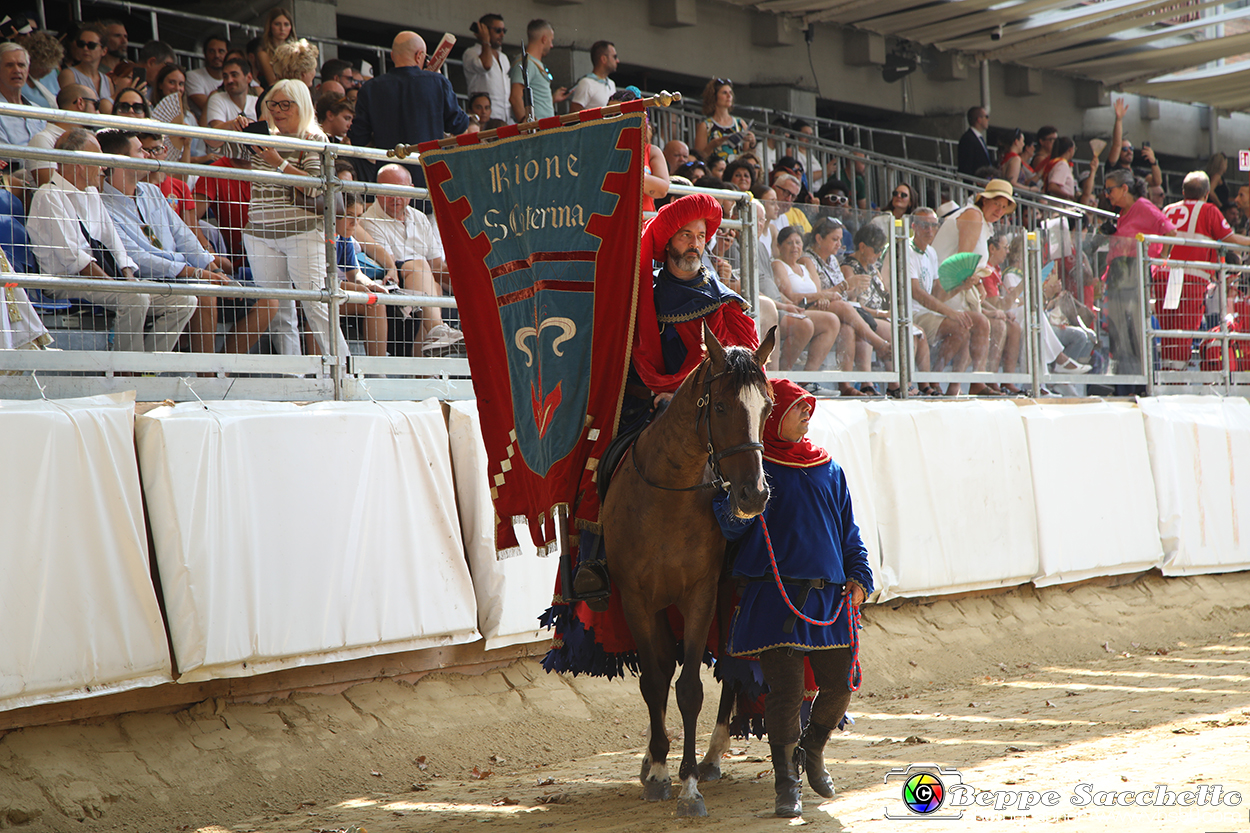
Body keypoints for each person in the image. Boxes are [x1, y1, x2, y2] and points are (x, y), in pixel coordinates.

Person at [572, 193, 759, 600]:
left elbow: (742, 366)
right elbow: (622, 348)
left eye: (701, 236)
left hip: (713, 407)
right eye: (685, 235)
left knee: (755, 464)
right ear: (667, 243)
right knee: (597, 459)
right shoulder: (642, 294)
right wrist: (659, 391)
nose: (695, 243)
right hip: (644, 401)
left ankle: (754, 561)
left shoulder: (724, 300)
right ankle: (595, 561)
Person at [713, 378, 872, 819]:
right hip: (772, 600)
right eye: (798, 406)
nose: (807, 412)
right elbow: (730, 530)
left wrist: (860, 576)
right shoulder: (756, 474)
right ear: (774, 415)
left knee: (840, 686)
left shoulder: (829, 469)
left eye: (809, 407)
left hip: (830, 602)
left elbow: (849, 535)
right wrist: (735, 504)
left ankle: (812, 752)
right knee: (784, 694)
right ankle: (787, 784)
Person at [97, 128, 274, 357]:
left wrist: (215, 270)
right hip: (154, 281)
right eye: (141, 151)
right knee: (206, 293)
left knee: (268, 301)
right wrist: (199, 274)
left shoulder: (152, 192)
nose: (149, 155)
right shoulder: (104, 205)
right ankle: (206, 375)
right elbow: (137, 259)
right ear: (121, 162)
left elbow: (184, 237)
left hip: (186, 276)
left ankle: (223, 371)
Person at [27, 128, 197, 353]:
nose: (103, 167)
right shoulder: (48, 196)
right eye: (98, 160)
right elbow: (74, 260)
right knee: (135, 298)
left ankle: (148, 369)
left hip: (102, 279)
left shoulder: (91, 193)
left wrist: (127, 277)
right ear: (79, 164)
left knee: (185, 300)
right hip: (66, 283)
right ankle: (126, 368)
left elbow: (114, 242)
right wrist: (116, 286)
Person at [242, 79, 349, 359]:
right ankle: (294, 375)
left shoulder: (315, 139)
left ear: (300, 106)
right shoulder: (261, 137)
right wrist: (233, 129)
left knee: (317, 306)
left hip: (302, 233)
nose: (278, 110)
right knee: (278, 310)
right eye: (273, 104)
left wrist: (279, 162)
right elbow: (215, 147)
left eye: (285, 104)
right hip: (260, 233)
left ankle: (346, 371)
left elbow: (316, 186)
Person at [355, 164, 464, 355]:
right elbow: (389, 263)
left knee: (438, 284)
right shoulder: (367, 220)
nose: (396, 198)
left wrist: (467, 284)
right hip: (392, 292)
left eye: (401, 191)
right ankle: (437, 331)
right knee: (421, 269)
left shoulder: (420, 218)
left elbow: (438, 266)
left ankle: (429, 365)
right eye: (389, 191)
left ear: (412, 191)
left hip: (422, 292)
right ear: (377, 191)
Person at [349, 31, 475, 183]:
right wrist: (438, 81)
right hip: (429, 175)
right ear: (419, 56)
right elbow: (459, 125)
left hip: (389, 175)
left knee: (392, 206)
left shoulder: (370, 88)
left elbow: (358, 138)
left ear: (393, 56)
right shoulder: (437, 82)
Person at [931, 179, 1016, 394]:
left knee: (991, 324)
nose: (1000, 210)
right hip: (944, 286)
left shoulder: (983, 223)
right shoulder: (973, 215)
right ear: (985, 201)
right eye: (997, 203)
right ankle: (947, 380)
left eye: (1004, 207)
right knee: (978, 323)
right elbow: (962, 261)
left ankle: (960, 384)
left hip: (959, 285)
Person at [1159, 171, 1250, 370]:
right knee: (1183, 330)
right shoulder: (1209, 210)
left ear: (1183, 192)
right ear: (1207, 194)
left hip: (1164, 277)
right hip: (1190, 278)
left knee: (1168, 328)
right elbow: (1230, 239)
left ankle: (1166, 372)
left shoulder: (1167, 209)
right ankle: (1176, 379)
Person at [1102, 168, 1175, 382]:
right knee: (1118, 331)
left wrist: (1162, 258)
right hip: (1118, 273)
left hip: (1134, 272)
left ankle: (1142, 381)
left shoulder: (1143, 206)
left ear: (1124, 188)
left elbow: (1170, 231)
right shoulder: (1122, 213)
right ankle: (1123, 383)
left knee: (1135, 329)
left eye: (1110, 190)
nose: (1107, 194)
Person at [906, 207, 971, 395]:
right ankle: (934, 381)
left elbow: (936, 293)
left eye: (934, 226)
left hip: (926, 311)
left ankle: (954, 386)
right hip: (912, 313)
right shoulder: (908, 250)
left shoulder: (931, 252)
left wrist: (961, 286)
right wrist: (950, 312)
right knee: (960, 326)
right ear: (914, 227)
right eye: (925, 226)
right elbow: (917, 293)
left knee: (971, 324)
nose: (930, 230)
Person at [771, 225, 841, 387]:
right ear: (779, 246)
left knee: (833, 320)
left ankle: (806, 381)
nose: (795, 247)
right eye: (789, 243)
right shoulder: (778, 265)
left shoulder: (804, 266)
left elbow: (817, 291)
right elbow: (791, 296)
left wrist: (821, 298)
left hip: (811, 308)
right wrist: (821, 296)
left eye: (798, 242)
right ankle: (782, 375)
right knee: (834, 316)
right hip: (792, 309)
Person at [26, 84, 98, 187]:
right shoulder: (43, 139)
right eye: (96, 105)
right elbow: (51, 187)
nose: (98, 112)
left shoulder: (91, 139)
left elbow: (97, 187)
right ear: (80, 103)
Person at [151, 65, 216, 165]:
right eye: (171, 82)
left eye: (181, 84)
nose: (177, 88)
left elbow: (199, 151)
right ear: (160, 84)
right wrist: (197, 160)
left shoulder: (189, 117)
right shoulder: (150, 112)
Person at [508, 19, 568, 122]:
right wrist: (526, 123)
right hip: (537, 131)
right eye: (551, 40)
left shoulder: (533, 63)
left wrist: (552, 99)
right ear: (544, 39)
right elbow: (515, 97)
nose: (551, 45)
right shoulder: (526, 63)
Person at [462, 14, 512, 126]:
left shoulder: (503, 57)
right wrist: (485, 41)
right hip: (484, 122)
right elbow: (486, 65)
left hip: (504, 120)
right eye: (498, 30)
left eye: (504, 30)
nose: (502, 34)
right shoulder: (471, 53)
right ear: (484, 30)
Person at [693, 78, 756, 162]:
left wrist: (752, 143)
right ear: (714, 97)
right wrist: (712, 146)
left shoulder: (740, 123)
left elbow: (748, 155)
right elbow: (698, 157)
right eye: (724, 93)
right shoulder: (706, 125)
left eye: (730, 93)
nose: (729, 96)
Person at [57, 24, 115, 114]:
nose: (85, 48)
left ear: (104, 51)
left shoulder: (107, 80)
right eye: (81, 44)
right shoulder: (68, 74)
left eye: (91, 45)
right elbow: (69, 107)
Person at [204, 56, 259, 149]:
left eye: (234, 75)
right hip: (223, 159)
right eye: (225, 76)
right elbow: (216, 136)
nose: (229, 80)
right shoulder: (217, 98)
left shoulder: (257, 101)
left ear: (249, 77)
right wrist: (233, 124)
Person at [15, 30, 62, 110]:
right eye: (42, 67)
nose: (47, 71)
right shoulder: (16, 78)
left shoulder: (52, 74)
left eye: (50, 67)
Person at [186, 34, 229, 119]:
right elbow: (211, 108)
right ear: (205, 54)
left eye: (221, 51)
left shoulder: (235, 79)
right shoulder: (193, 76)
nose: (216, 55)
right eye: (212, 51)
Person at [569, 40, 617, 112]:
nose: (617, 60)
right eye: (614, 57)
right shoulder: (586, 83)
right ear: (604, 59)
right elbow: (573, 115)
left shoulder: (611, 84)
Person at [256, 7, 296, 88]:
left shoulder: (295, 52)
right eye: (277, 24)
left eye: (286, 24)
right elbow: (273, 82)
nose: (282, 29)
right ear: (270, 26)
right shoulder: (263, 54)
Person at [957, 106, 993, 178]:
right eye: (986, 117)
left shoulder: (978, 138)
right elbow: (966, 165)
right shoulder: (968, 139)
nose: (988, 120)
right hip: (975, 184)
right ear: (979, 119)